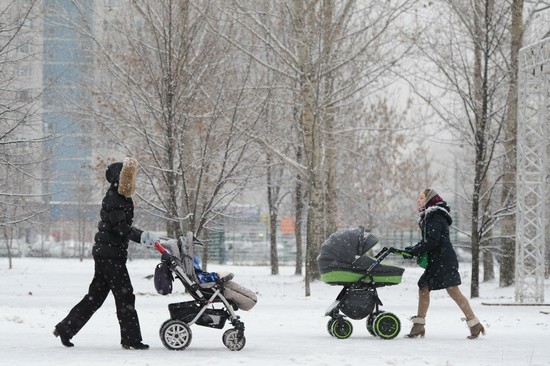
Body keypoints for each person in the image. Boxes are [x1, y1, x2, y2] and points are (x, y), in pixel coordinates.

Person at [53, 157, 159, 350]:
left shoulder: (120, 197)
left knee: (95, 296)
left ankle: (65, 328)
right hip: (110, 256)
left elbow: (122, 226)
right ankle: (131, 339)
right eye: (129, 176)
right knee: (125, 295)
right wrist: (142, 237)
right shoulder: (115, 198)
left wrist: (142, 236)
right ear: (121, 178)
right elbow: (121, 227)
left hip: (107, 253)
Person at [402, 188, 485, 339]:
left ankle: (474, 324)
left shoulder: (435, 216)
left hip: (443, 259)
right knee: (425, 286)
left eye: (421, 198)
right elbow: (428, 240)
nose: (418, 200)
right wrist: (413, 249)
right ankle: (419, 325)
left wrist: (416, 251)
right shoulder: (430, 216)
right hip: (438, 259)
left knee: (452, 290)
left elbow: (433, 241)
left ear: (429, 200)